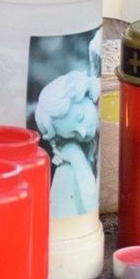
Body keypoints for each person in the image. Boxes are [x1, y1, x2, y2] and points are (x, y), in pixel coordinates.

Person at [34, 70, 100, 216]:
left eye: (80, 117)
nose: (82, 132)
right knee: (65, 172)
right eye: (73, 134)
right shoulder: (89, 144)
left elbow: (93, 205)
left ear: (85, 94)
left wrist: (77, 159)